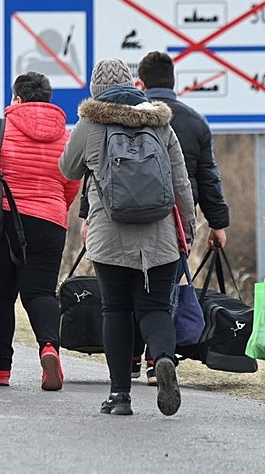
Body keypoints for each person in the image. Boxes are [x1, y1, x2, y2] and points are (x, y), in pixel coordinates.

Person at [59, 58, 196, 416]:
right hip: (160, 236)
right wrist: (190, 230)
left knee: (116, 310)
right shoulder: (160, 123)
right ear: (133, 85)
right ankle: (163, 358)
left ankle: (120, 396)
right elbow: (181, 181)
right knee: (153, 308)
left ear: (95, 90)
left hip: (109, 235)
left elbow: (67, 168)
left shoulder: (90, 124)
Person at [0, 71, 80, 391]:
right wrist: (55, 208)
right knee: (41, 292)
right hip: (49, 221)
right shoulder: (66, 136)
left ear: (17, 99)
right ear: (48, 100)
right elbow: (72, 181)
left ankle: (0, 368)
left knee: (0, 293)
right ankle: (49, 348)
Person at [129, 50, 230, 384]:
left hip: (128, 217)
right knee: (164, 290)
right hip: (176, 221)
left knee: (127, 285)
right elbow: (209, 178)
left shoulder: (128, 116)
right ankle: (157, 358)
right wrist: (218, 223)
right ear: (174, 84)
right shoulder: (194, 121)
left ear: (140, 83)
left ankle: (130, 355)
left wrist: (88, 217)